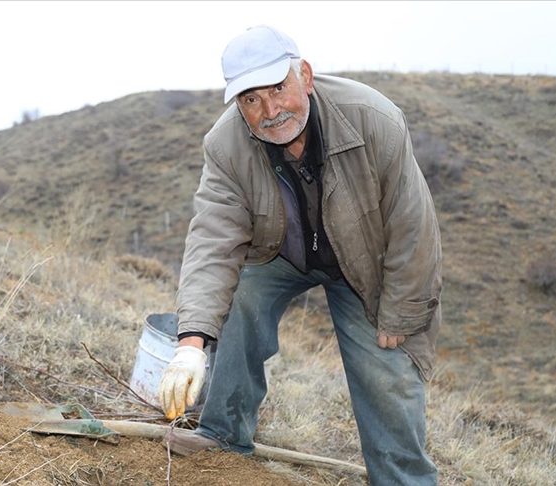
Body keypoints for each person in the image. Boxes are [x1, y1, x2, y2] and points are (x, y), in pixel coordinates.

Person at [158, 25, 442, 485]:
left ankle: (402, 479)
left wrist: (401, 314)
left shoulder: (374, 118)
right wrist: (190, 345)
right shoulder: (225, 145)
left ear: (304, 76)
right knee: (238, 299)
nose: (270, 110)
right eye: (251, 100)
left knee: (386, 374)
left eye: (278, 88)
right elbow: (213, 239)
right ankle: (224, 436)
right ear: (237, 106)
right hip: (281, 253)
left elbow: (414, 225)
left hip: (367, 267)